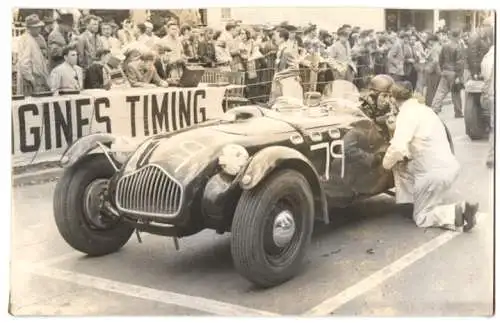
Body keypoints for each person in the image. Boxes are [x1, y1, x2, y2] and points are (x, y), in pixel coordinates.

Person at [382, 81, 478, 232]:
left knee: (421, 217)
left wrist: (385, 164)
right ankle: (410, 201)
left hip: (433, 175)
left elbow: (398, 148)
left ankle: (457, 211)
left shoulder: (406, 115)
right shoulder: (425, 110)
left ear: (393, 99)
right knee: (401, 166)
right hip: (449, 167)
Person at [431, 29, 465, 118]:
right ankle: (458, 112)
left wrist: (442, 70)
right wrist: (459, 75)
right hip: (454, 73)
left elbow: (440, 59)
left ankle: (434, 109)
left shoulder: (445, 46)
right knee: (456, 94)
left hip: (445, 71)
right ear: (458, 36)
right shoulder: (458, 47)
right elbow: (459, 63)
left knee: (440, 92)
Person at [16, 14, 50, 95]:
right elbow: (24, 63)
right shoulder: (27, 39)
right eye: (37, 27)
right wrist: (31, 79)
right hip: (31, 79)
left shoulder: (38, 37)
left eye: (39, 27)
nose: (39, 29)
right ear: (30, 28)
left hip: (39, 77)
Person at [481, 39, 494, 168]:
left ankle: (492, 155)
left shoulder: (488, 56)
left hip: (492, 94)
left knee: (494, 127)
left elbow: (485, 75)